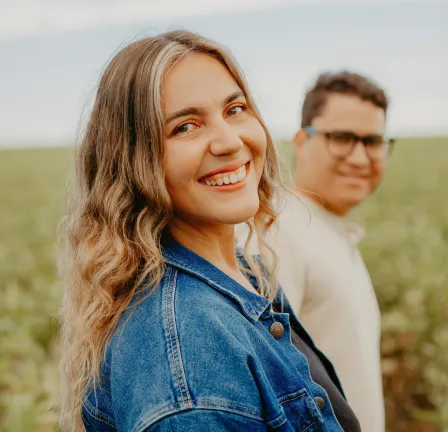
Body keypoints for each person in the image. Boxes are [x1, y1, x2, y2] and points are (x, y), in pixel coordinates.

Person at [57, 31, 361, 432]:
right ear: (132, 161)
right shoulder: (187, 365)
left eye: (235, 109)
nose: (229, 141)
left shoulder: (245, 271)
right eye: (185, 126)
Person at [238, 71, 394, 432]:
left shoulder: (327, 228)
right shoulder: (278, 229)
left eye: (372, 141)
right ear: (302, 141)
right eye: (341, 138)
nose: (359, 156)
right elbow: (266, 382)